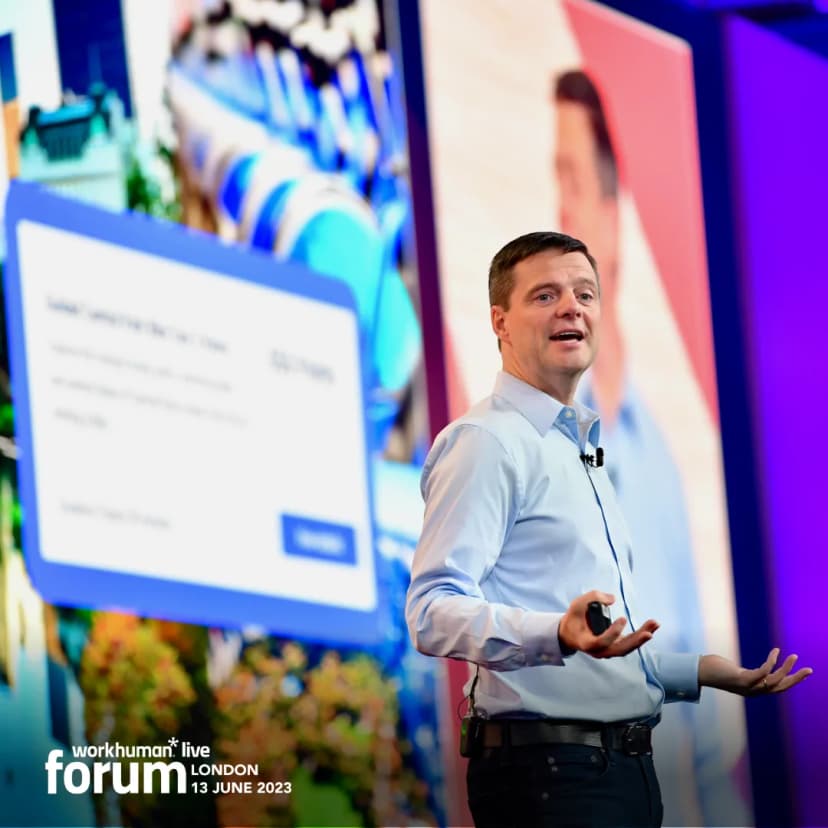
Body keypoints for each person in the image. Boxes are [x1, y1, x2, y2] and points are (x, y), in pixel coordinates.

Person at [404, 231, 811, 828]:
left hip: (620, 770)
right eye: (545, 295)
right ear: (501, 322)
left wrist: (699, 671)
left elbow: (597, 651)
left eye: (585, 293)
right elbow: (431, 611)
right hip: (551, 777)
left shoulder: (580, 445)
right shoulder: (486, 442)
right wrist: (557, 633)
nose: (573, 307)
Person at [553, 69, 744, 825]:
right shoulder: (534, 441)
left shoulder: (657, 458)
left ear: (612, 210)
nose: (559, 211)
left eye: (571, 182)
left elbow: (700, 742)